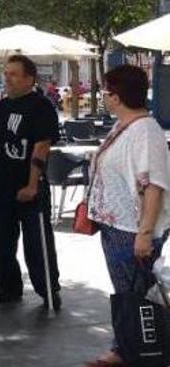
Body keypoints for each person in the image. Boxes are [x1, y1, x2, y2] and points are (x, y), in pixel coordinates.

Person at [84, 65, 170, 367]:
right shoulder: (124, 125)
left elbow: (154, 185)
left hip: (132, 228)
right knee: (128, 293)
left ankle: (141, 349)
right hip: (116, 225)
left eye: (107, 91)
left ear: (116, 96)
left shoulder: (145, 131)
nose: (104, 97)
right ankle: (125, 347)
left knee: (139, 294)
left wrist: (145, 233)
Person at [0, 55, 61, 310]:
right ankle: (9, 287)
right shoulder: (0, 107)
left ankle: (48, 289)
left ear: (29, 78)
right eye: (5, 73)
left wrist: (32, 184)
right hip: (1, 188)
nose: (6, 78)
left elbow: (42, 147)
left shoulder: (41, 106)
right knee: (2, 243)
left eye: (13, 74)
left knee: (37, 244)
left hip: (30, 188)